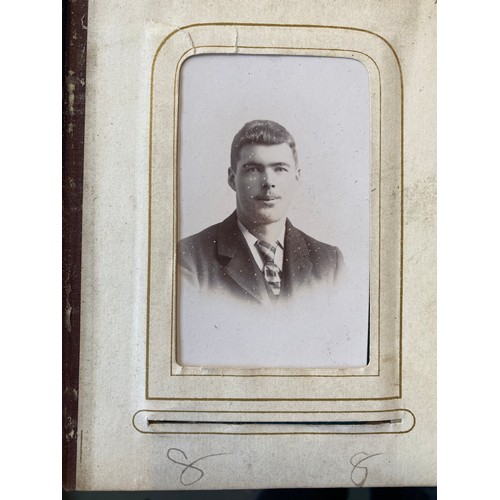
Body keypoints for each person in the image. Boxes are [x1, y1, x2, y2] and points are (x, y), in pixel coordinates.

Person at [178, 119, 343, 306]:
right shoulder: (190, 258)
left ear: (296, 178)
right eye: (253, 169)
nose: (268, 182)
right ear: (232, 179)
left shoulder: (330, 263)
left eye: (280, 168)